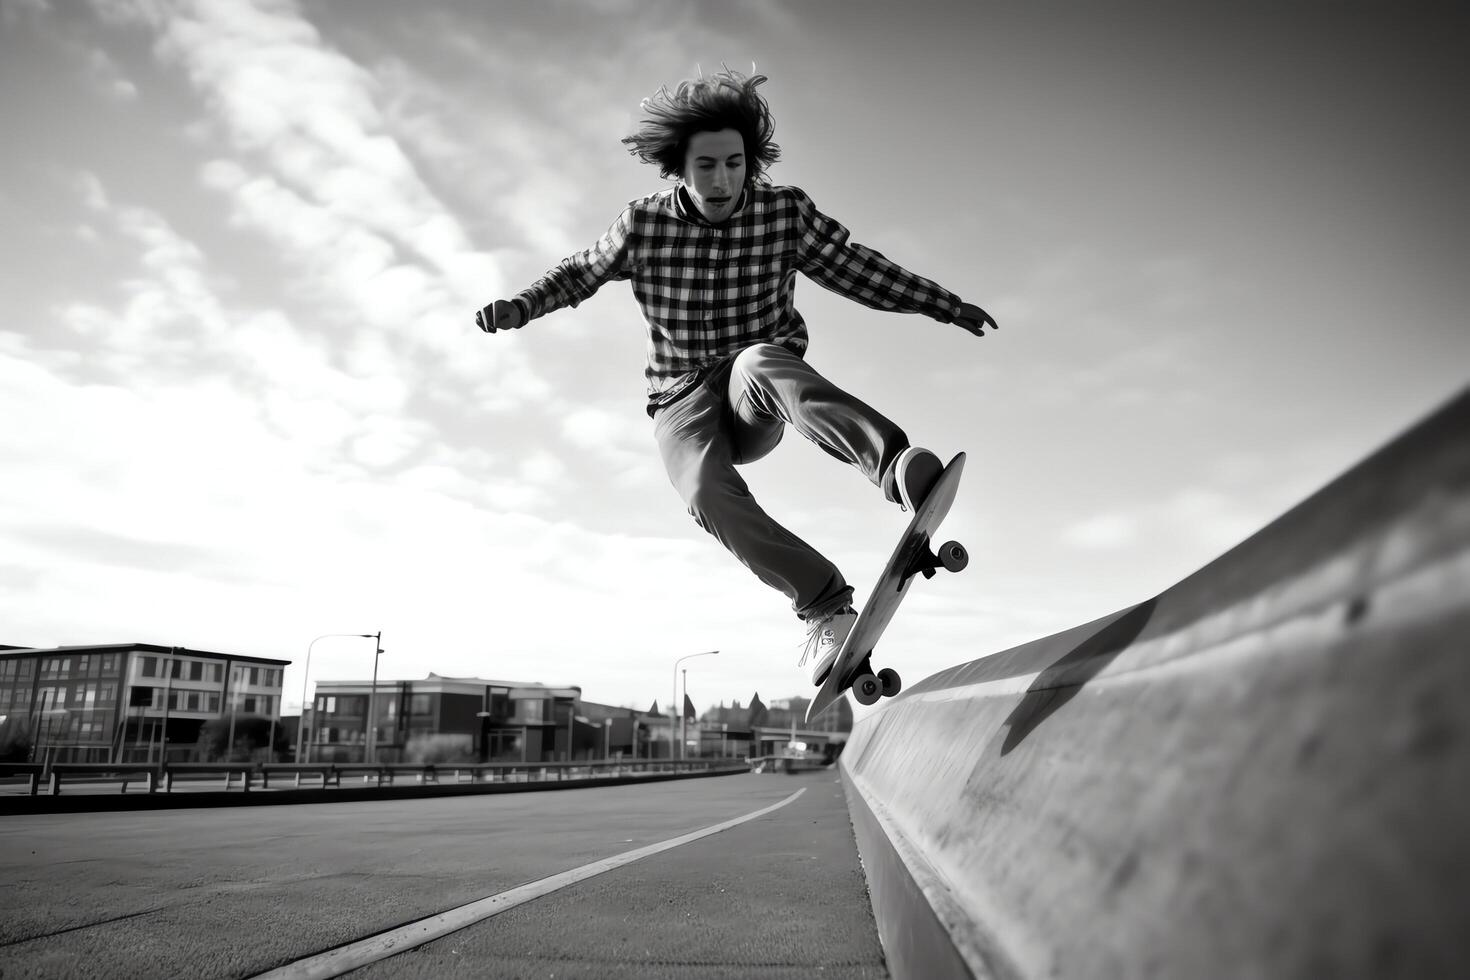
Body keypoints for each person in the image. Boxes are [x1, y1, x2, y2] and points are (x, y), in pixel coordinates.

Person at [476, 69, 996, 688]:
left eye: (734, 164)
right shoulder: (642, 226)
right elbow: (578, 273)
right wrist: (522, 306)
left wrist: (941, 303)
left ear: (751, 161)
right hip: (679, 398)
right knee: (702, 491)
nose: (722, 181)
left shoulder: (785, 214)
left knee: (758, 359)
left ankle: (897, 468)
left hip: (757, 390)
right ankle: (827, 609)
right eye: (706, 167)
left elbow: (859, 270)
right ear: (679, 169)